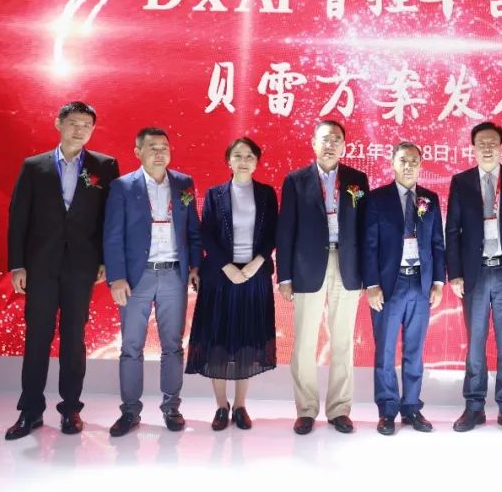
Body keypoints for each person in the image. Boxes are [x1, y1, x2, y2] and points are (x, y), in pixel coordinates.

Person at [4, 101, 120, 440]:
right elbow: (18, 217)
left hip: (82, 266)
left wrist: (105, 260)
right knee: (37, 337)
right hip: (40, 265)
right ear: (59, 123)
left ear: (92, 129)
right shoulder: (34, 166)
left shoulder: (104, 166)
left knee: (74, 338)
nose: (79, 129)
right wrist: (17, 264)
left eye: (86, 124)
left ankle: (70, 409)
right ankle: (30, 410)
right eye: (73, 122)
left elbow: (109, 219)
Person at [103, 127, 201, 437]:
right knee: (131, 347)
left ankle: (171, 408)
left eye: (164, 147)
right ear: (138, 152)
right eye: (152, 147)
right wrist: (116, 277)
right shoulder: (123, 186)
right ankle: (130, 411)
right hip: (137, 277)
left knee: (173, 345)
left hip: (173, 274)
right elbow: (113, 235)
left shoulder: (183, 183)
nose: (160, 152)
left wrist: (195, 266)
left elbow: (193, 230)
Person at [276, 120, 369, 434]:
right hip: (307, 267)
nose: (331, 145)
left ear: (344, 146)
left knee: (343, 341)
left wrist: (367, 276)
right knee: (304, 342)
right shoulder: (296, 180)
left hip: (348, 266)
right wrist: (284, 276)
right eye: (325, 139)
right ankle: (306, 410)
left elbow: (365, 230)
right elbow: (285, 229)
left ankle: (339, 409)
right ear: (314, 143)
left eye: (336, 139)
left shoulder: (357, 180)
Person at [446, 121, 502, 435]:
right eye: (481, 143)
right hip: (475, 274)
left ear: (501, 147)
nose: (487, 147)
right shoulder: (461, 182)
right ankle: (474, 407)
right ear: (473, 147)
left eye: (492, 142)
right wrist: (455, 273)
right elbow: (452, 230)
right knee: (475, 344)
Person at [185, 137, 279, 431]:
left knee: (246, 341)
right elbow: (206, 234)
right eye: (237, 155)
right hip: (220, 277)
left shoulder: (266, 193)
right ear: (228, 161)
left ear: (257, 161)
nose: (243, 161)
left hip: (254, 276)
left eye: (249, 156)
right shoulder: (215, 194)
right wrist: (227, 267)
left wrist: (254, 264)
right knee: (218, 341)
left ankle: (240, 405)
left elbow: (273, 233)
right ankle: (221, 406)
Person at [362, 142, 445, 436]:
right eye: (402, 160)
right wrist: (372, 285)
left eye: (413, 160)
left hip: (420, 284)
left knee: (415, 350)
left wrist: (437, 283)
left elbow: (437, 243)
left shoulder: (429, 199)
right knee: (385, 351)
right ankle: (387, 410)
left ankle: (411, 407)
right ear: (392, 164)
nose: (408, 165)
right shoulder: (377, 199)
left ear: (421, 164)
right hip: (389, 285)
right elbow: (369, 245)